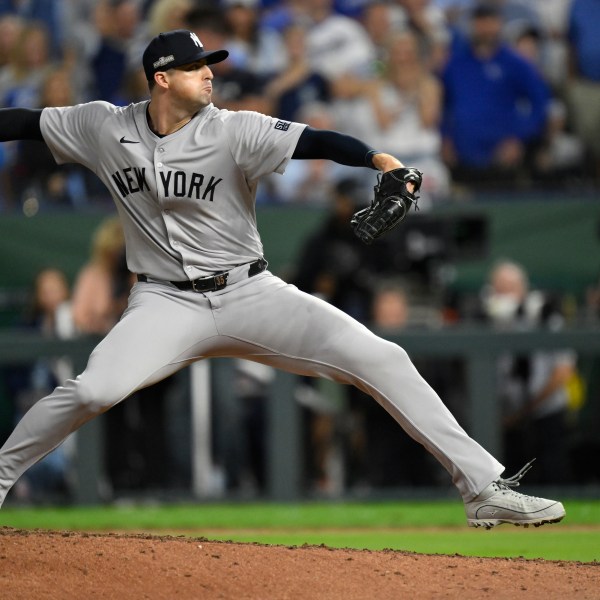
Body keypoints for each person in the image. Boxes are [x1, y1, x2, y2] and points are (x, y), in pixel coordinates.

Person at [0, 28, 565, 528]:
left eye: (211, 64)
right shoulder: (104, 126)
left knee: (382, 357)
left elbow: (315, 139)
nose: (210, 74)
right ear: (162, 79)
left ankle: (482, 488)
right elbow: (26, 123)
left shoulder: (233, 130)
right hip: (163, 303)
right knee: (94, 389)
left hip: (251, 293)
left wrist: (380, 161)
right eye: (197, 67)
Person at [480, 260, 576, 483]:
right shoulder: (488, 320)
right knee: (511, 479)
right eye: (500, 290)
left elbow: (563, 370)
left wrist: (526, 410)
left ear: (524, 289)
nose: (506, 296)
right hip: (505, 417)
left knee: (552, 472)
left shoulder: (546, 317)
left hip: (546, 412)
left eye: (511, 289)